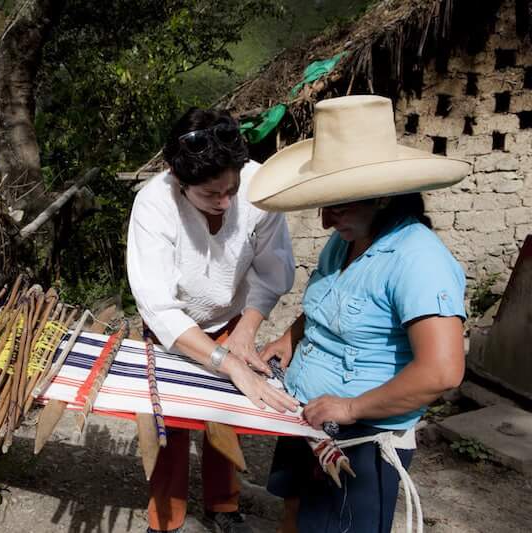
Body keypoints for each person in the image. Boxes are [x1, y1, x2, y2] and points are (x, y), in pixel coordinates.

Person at [248, 95, 472, 533]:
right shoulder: (346, 242)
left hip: (359, 441)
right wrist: (289, 340)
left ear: (382, 198)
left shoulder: (418, 260)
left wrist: (351, 407)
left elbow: (443, 371)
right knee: (295, 516)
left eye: (338, 205)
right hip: (308, 416)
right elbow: (329, 307)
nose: (325, 220)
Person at [126, 107, 299, 533]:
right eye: (210, 195)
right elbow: (158, 306)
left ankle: (224, 506)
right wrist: (227, 363)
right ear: (178, 180)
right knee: (168, 423)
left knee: (228, 415)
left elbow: (272, 273)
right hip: (174, 329)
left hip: (231, 319)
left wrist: (244, 333)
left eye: (231, 190)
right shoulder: (154, 204)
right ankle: (165, 518)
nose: (225, 201)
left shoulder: (260, 189)